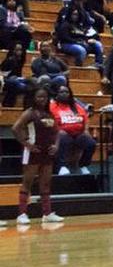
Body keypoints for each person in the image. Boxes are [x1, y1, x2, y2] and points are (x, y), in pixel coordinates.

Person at [12, 87, 64, 225]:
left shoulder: (49, 113)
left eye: (44, 97)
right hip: (33, 152)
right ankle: (22, 214)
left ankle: (47, 213)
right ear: (33, 98)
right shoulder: (29, 113)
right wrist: (27, 144)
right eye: (39, 97)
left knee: (45, 183)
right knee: (27, 182)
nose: (42, 99)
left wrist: (56, 145)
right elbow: (15, 128)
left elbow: (58, 131)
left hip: (47, 152)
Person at [51, 86, 96, 176]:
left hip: (78, 133)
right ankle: (62, 166)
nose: (65, 94)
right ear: (57, 95)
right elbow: (50, 121)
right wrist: (57, 130)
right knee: (63, 138)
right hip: (62, 133)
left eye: (67, 92)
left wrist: (86, 130)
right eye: (62, 92)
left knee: (91, 143)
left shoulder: (76, 106)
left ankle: (83, 165)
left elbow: (85, 119)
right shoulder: (52, 106)